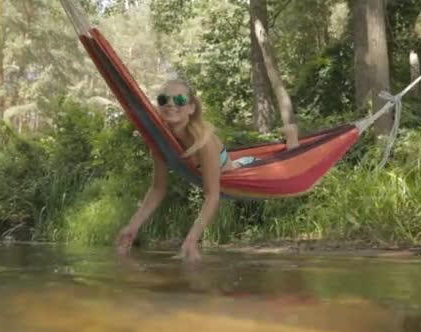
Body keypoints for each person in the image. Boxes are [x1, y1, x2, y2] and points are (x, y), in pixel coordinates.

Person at [115, 79, 299, 262]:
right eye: (164, 99)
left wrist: (191, 240)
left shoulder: (204, 142)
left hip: (244, 171)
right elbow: (157, 189)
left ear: (191, 108)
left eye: (179, 100)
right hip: (232, 165)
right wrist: (132, 227)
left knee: (290, 168)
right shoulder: (160, 143)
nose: (171, 104)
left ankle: (292, 137)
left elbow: (212, 196)